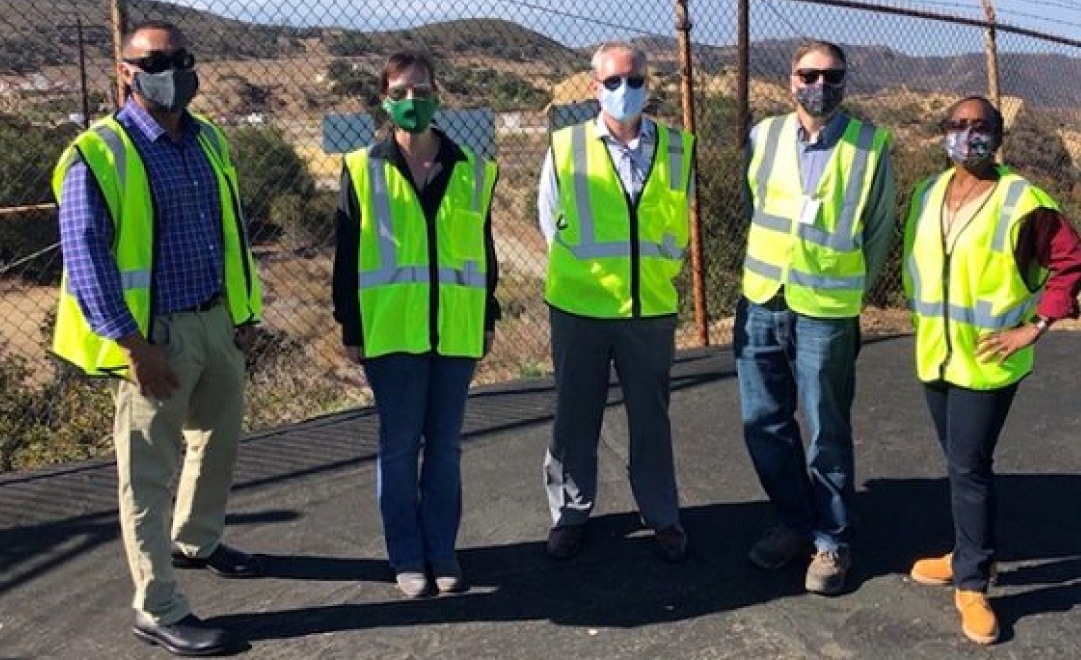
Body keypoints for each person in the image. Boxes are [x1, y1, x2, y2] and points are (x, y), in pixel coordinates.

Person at [52, 21, 262, 657]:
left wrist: (241, 313)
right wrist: (131, 346)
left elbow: (229, 234)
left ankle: (196, 540)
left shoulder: (208, 139)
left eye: (179, 58)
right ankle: (157, 605)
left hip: (215, 321)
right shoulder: (99, 152)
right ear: (125, 71)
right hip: (155, 338)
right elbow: (87, 259)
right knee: (146, 473)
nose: (170, 70)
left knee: (216, 444)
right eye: (154, 61)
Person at [902, 95, 1081, 645]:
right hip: (936, 353)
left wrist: (1035, 326)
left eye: (980, 126)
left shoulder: (1023, 201)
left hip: (988, 361)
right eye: (958, 126)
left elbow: (1073, 263)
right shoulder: (928, 193)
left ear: (999, 134)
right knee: (957, 462)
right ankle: (967, 553)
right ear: (944, 133)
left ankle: (972, 581)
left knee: (969, 466)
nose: (969, 135)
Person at [332, 50, 499, 599]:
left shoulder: (471, 169)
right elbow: (347, 256)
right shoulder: (362, 168)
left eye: (421, 89)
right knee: (400, 448)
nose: (412, 100)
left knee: (446, 446)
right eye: (400, 91)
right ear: (384, 98)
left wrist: (488, 317)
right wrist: (349, 326)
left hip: (455, 331)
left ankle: (442, 551)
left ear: (438, 94)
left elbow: (485, 250)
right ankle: (406, 556)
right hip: (392, 334)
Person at [734, 39, 896, 596]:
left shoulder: (872, 147)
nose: (819, 86)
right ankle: (791, 521)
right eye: (809, 74)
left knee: (825, 428)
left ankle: (831, 539)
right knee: (763, 423)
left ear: (846, 82)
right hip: (761, 298)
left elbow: (878, 234)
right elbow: (754, 203)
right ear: (790, 79)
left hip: (826, 310)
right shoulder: (765, 135)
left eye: (832, 76)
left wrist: (846, 288)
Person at [537, 42, 695, 563]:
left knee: (651, 419)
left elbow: (677, 223)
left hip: (648, 307)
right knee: (574, 417)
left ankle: (661, 514)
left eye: (633, 80)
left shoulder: (677, 147)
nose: (623, 91)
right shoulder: (565, 146)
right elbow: (549, 221)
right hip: (581, 308)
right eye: (611, 82)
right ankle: (570, 513)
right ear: (593, 87)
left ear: (649, 83)